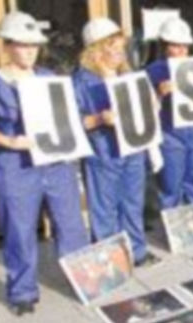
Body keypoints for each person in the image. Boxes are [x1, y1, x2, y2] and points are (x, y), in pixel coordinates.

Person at [0, 11, 89, 315]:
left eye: (33, 46)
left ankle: (82, 279)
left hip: (55, 162)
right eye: (22, 45)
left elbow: (67, 116)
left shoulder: (49, 78)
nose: (29, 51)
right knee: (20, 230)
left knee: (71, 223)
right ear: (7, 46)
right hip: (16, 165)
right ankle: (22, 291)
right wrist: (10, 141)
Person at [73, 18, 155, 266]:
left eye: (120, 45)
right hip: (103, 152)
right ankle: (108, 260)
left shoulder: (128, 74)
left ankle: (137, 252)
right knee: (104, 209)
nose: (119, 51)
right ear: (95, 49)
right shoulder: (81, 81)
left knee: (132, 203)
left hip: (133, 149)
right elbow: (72, 124)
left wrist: (152, 103)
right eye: (113, 45)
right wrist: (99, 119)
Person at [146, 18, 193, 209]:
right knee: (171, 185)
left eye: (184, 47)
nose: (181, 51)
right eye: (175, 46)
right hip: (170, 135)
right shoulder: (153, 71)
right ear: (164, 46)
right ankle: (174, 229)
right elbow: (143, 110)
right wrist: (158, 94)